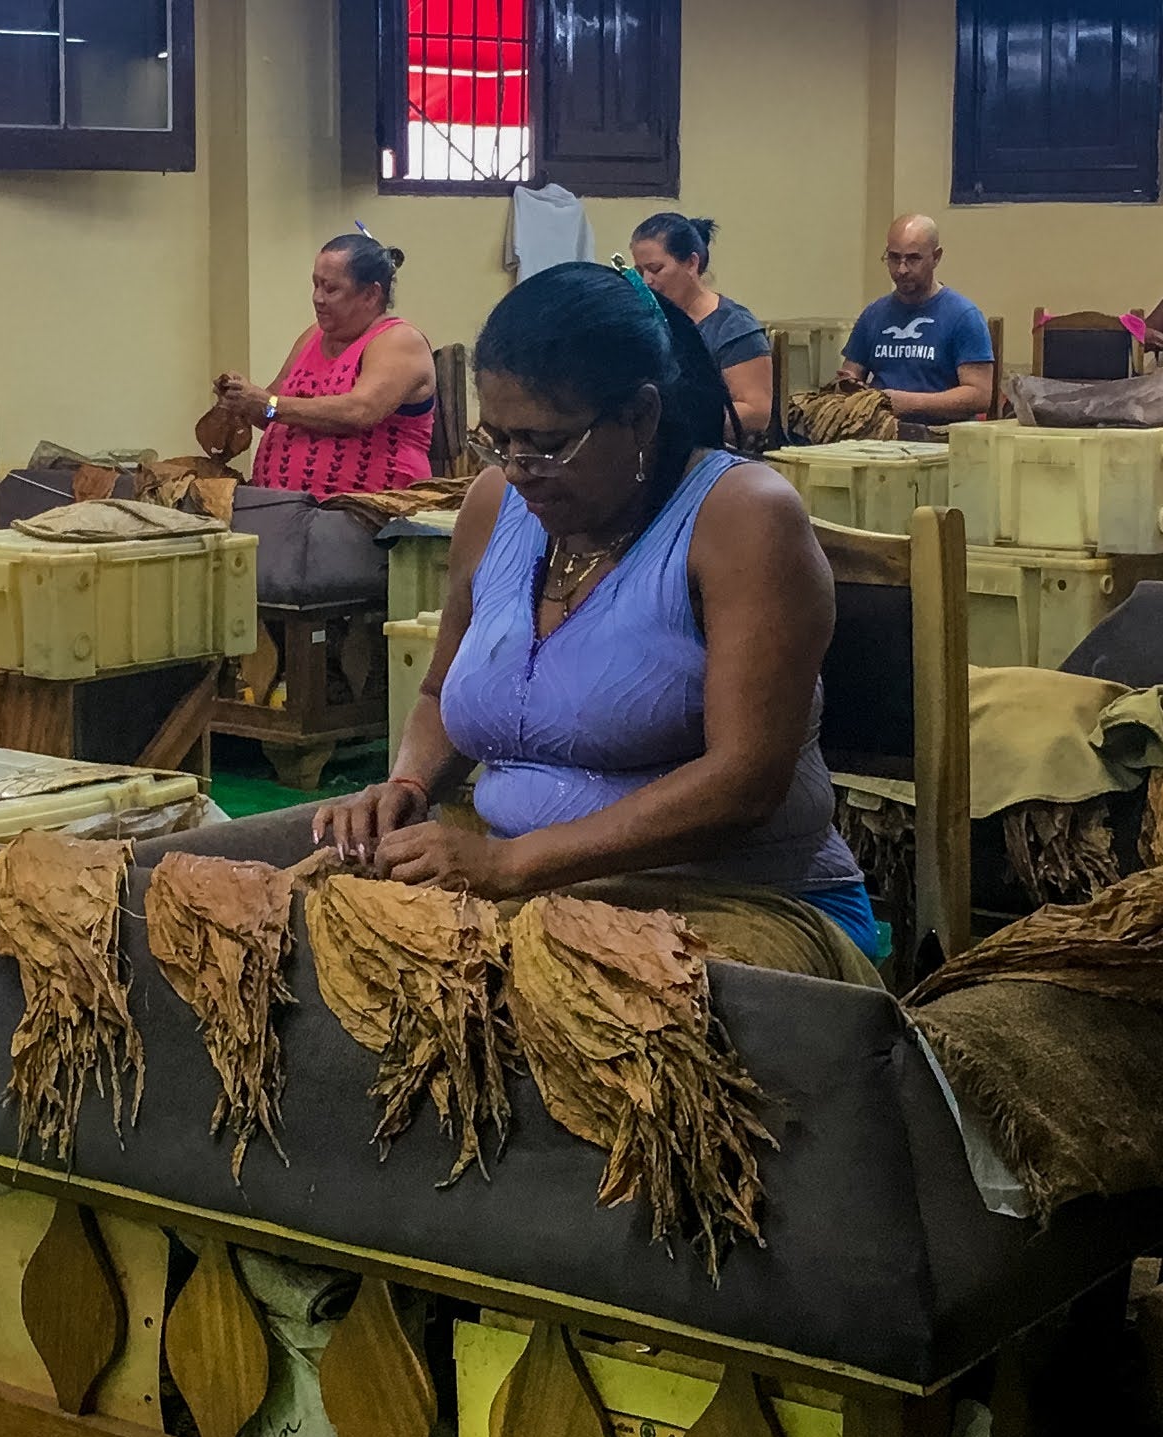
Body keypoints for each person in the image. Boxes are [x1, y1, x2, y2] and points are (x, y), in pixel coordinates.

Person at [313, 262, 879, 984]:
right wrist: (409, 787)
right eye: (500, 441)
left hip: (736, 901)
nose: (519, 470)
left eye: (548, 444)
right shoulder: (493, 507)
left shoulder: (742, 517)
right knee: (286, 920)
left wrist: (516, 862)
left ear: (641, 415)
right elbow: (436, 697)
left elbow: (745, 780)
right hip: (534, 888)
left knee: (534, 1001)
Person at [216, 233, 437, 499]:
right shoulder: (313, 336)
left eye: (331, 289)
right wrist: (241, 398)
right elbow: (270, 412)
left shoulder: (399, 340)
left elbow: (360, 411)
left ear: (370, 294)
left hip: (363, 513)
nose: (317, 298)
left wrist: (268, 403)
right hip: (284, 506)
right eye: (315, 285)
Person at [838, 215, 996, 425]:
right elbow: (850, 375)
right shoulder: (874, 314)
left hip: (940, 438)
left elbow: (979, 396)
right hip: (878, 433)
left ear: (936, 257)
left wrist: (906, 402)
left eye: (913, 259)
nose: (901, 270)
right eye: (894, 258)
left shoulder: (964, 316)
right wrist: (847, 387)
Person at [628, 213, 771, 443]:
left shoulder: (732, 326)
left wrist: (678, 425)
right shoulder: (646, 320)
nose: (646, 281)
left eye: (655, 269)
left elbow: (757, 411)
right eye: (639, 271)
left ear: (692, 263)